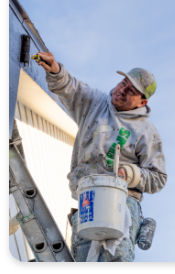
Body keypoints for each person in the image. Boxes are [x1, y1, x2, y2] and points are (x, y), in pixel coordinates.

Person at [37, 51, 167, 262]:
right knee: (83, 257)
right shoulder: (95, 104)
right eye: (123, 82)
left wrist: (131, 174)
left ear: (141, 103)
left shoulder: (146, 132)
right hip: (88, 196)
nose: (122, 90)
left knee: (115, 258)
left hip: (122, 202)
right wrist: (55, 70)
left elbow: (158, 177)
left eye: (131, 91)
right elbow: (71, 88)